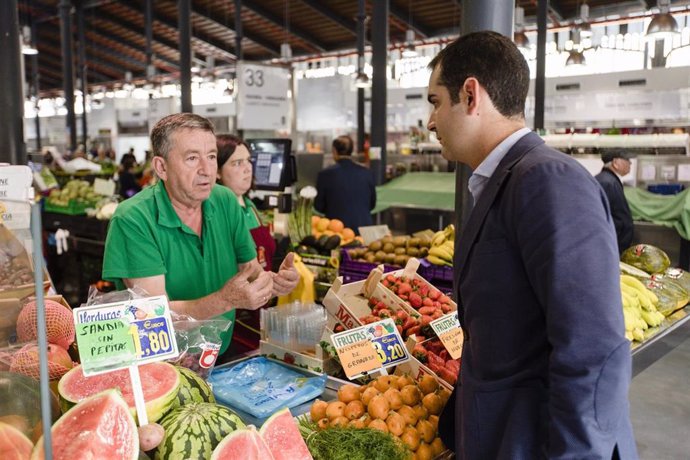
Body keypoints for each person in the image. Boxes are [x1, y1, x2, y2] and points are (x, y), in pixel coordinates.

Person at [427, 32, 637, 459]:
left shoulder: (547, 180)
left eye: (434, 102)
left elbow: (593, 349)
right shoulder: (500, 181)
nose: (430, 122)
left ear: (470, 95)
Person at [102, 113, 300, 356]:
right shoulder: (133, 218)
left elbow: (251, 274)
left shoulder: (225, 200)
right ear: (161, 167)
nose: (207, 170)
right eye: (192, 158)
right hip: (164, 361)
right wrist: (226, 300)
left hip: (219, 352)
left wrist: (272, 283)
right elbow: (152, 317)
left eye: (212, 157)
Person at [216, 134, 277, 352]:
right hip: (236, 315)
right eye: (236, 163)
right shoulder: (217, 213)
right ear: (217, 172)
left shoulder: (250, 205)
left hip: (260, 304)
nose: (247, 168)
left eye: (248, 161)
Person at [314, 135, 376, 232]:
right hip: (364, 230)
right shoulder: (367, 173)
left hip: (337, 232)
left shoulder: (325, 175)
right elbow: (372, 204)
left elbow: (318, 206)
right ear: (352, 150)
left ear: (334, 151)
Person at [595, 150, 634, 254]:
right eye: (627, 160)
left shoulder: (608, 180)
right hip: (609, 246)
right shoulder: (608, 183)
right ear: (616, 163)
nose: (630, 163)